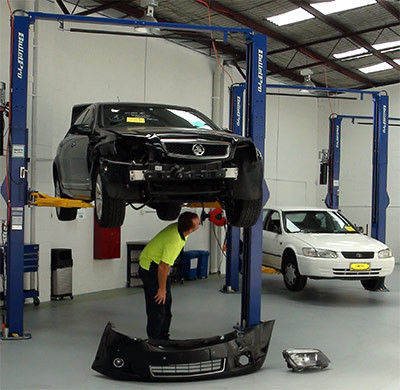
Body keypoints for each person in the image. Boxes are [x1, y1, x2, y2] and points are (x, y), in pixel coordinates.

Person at [138, 211, 200, 340]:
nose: (200, 223)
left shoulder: (180, 229)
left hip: (159, 266)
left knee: (166, 306)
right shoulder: (175, 240)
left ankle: (164, 338)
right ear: (190, 229)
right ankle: (154, 342)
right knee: (157, 308)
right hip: (150, 268)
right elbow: (163, 266)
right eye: (197, 222)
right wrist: (161, 289)